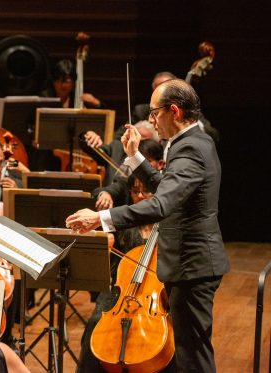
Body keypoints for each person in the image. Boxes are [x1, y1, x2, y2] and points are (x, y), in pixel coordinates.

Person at [66, 79, 230, 372]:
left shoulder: (191, 148)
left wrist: (101, 218)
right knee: (189, 351)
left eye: (155, 113)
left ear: (175, 112)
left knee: (193, 355)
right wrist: (135, 156)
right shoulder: (190, 143)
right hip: (188, 263)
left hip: (192, 265)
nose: (151, 120)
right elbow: (165, 187)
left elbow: (160, 204)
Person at [77, 174, 175, 373]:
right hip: (121, 291)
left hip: (156, 297)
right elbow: (112, 263)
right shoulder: (124, 221)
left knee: (174, 333)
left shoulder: (170, 228)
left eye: (146, 191)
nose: (140, 196)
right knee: (96, 323)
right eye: (135, 191)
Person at [133, 71, 219, 143]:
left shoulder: (186, 146)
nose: (150, 120)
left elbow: (213, 134)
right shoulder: (141, 110)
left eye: (168, 88)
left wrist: (190, 120)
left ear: (174, 111)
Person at [79, 120, 159, 187]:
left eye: (143, 140)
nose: (136, 143)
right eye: (135, 137)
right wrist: (88, 136)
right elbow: (92, 149)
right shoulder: (116, 148)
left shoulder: (153, 162)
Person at [93, 139, 164, 210]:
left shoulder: (167, 182)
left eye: (146, 162)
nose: (141, 166)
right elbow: (111, 189)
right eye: (137, 161)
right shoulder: (127, 180)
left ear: (160, 164)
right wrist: (105, 194)